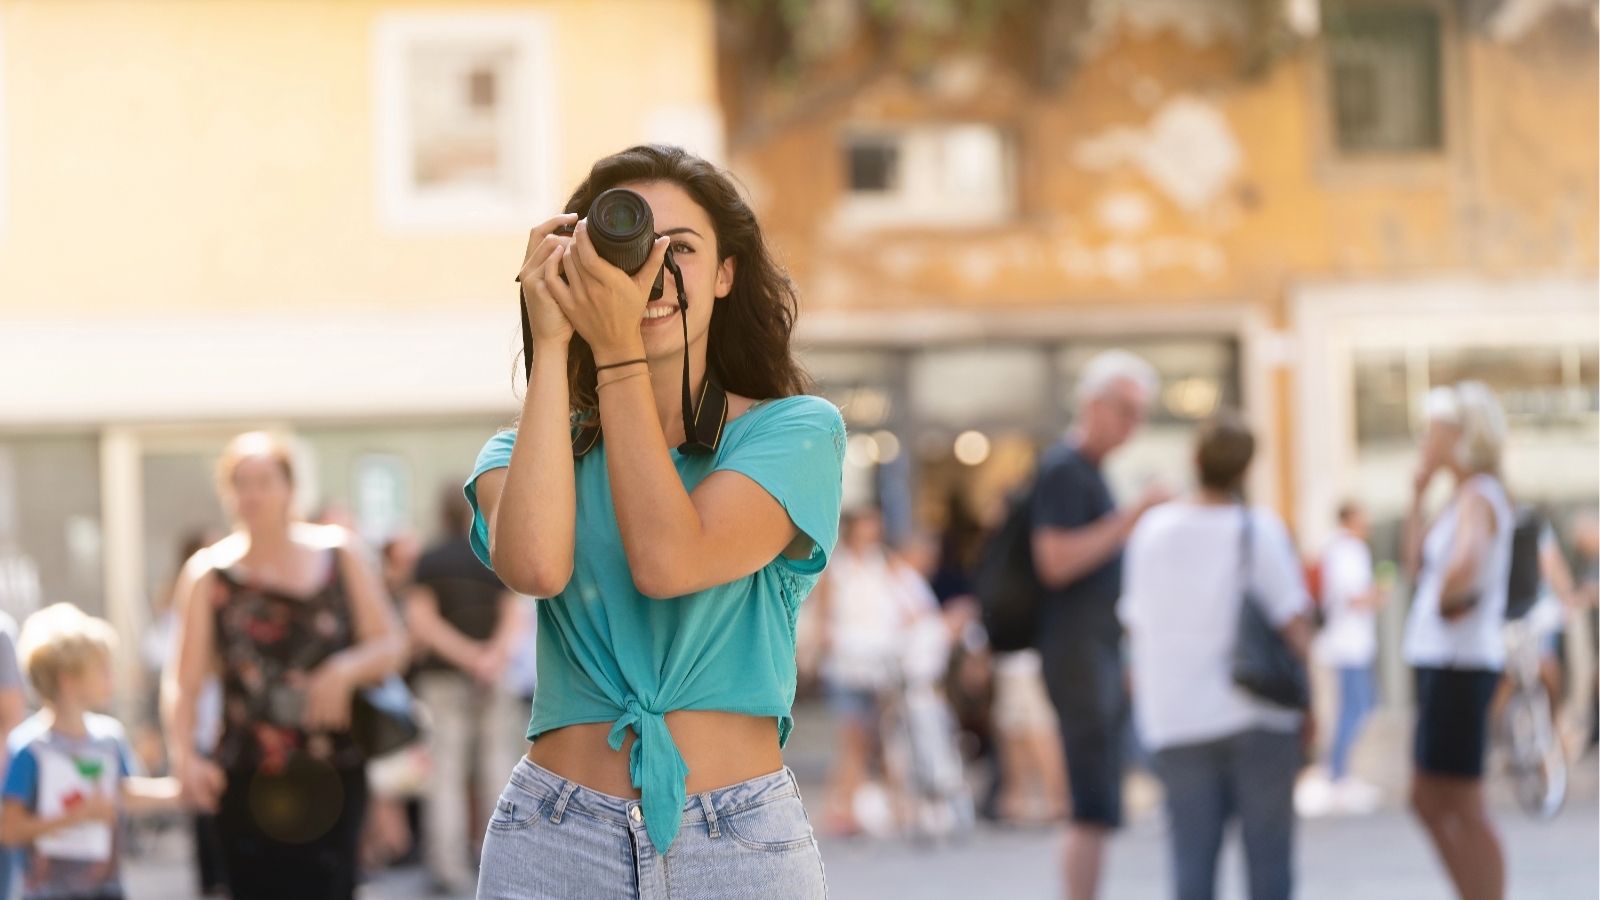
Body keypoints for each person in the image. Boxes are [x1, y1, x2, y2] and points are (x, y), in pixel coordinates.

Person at [468, 145, 844, 899]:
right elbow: (536, 567)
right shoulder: (527, 449)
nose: (652, 273)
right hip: (554, 834)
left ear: (728, 275)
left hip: (739, 841)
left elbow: (670, 560)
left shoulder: (793, 432)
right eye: (629, 251)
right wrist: (552, 339)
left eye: (683, 249)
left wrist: (614, 354)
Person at [164, 432, 408, 900]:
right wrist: (185, 758)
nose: (251, 494)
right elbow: (184, 682)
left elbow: (392, 645)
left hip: (332, 770)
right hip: (245, 775)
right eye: (240, 483)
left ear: (291, 489)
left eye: (263, 481)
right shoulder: (207, 573)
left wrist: (344, 670)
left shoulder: (340, 554)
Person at [1120, 413, 1313, 900]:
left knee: (1192, 867)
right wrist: (1316, 705)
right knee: (1269, 867)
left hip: (1178, 718)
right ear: (1247, 470)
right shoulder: (1258, 531)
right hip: (1258, 716)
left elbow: (1134, 621)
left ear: (1195, 460)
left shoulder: (1153, 533)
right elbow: (1296, 627)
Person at [1030, 349, 1168, 900]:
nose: (1133, 424)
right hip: (1077, 655)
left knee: (1099, 801)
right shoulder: (1065, 469)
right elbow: (1056, 560)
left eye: (1141, 413)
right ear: (1092, 404)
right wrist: (1133, 515)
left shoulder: (1084, 471)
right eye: (1125, 409)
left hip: (1095, 652)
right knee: (1090, 803)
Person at [1402, 383, 1514, 900]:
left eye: (1434, 430)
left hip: (1458, 662)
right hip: (1444, 662)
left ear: (1461, 435)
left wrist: (1450, 599)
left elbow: (1464, 564)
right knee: (1429, 798)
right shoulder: (1462, 495)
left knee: (1460, 801)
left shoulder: (1478, 494)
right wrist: (1417, 498)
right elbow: (1414, 569)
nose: (1426, 439)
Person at [1, 604, 182, 900]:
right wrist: (77, 816)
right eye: (103, 670)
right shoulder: (29, 749)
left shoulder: (109, 739)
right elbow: (9, 829)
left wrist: (181, 793)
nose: (112, 678)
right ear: (68, 680)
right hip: (47, 891)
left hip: (105, 889)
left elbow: (124, 793)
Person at [405, 487, 526, 894]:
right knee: (497, 769)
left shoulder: (429, 560)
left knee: (445, 776)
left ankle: (448, 867)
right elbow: (515, 615)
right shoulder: (496, 555)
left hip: (442, 678)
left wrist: (466, 656)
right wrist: (489, 659)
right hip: (492, 677)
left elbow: (421, 622)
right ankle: (501, 861)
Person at [813, 508, 904, 835]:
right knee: (853, 737)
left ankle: (868, 804)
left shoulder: (884, 562)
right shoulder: (836, 568)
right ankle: (843, 806)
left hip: (879, 663)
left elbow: (903, 601)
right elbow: (823, 616)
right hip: (847, 664)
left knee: (879, 738)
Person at [1315, 500, 1385, 813]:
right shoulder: (1344, 551)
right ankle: (1337, 774)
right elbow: (1353, 597)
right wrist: (1378, 594)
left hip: (1354, 643)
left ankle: (1339, 772)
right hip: (1346, 644)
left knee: (1360, 705)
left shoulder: (1346, 549)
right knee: (1354, 708)